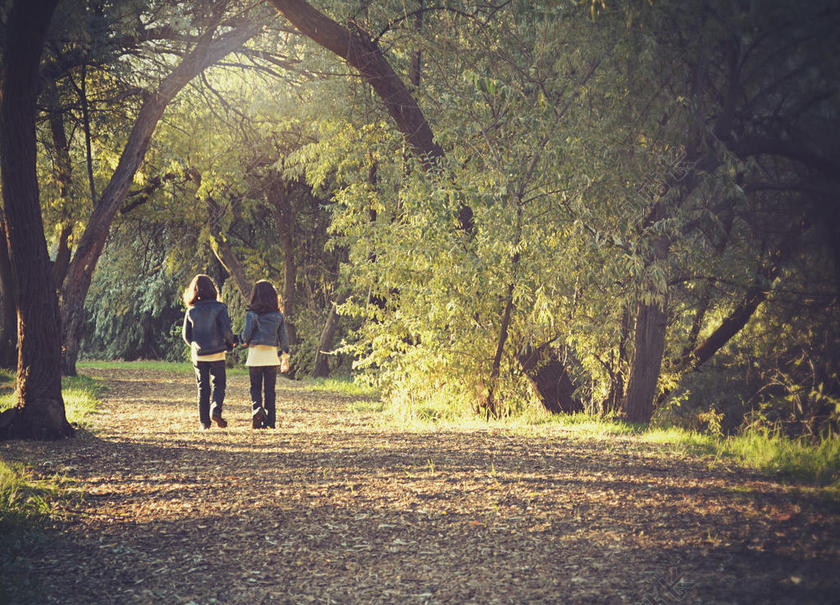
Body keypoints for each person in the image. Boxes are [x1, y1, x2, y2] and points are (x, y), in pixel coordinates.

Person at [182, 274, 236, 430]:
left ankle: (204, 423)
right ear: (213, 289)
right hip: (217, 353)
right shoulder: (220, 308)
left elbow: (186, 336)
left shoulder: (191, 310)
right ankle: (216, 409)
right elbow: (226, 331)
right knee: (219, 384)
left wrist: (196, 345)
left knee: (202, 387)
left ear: (194, 291)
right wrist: (229, 344)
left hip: (199, 354)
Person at [239, 280, 290, 429]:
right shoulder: (278, 316)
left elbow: (246, 335)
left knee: (255, 388)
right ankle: (270, 422)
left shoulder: (251, 314)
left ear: (255, 296)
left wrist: (242, 341)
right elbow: (284, 339)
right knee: (270, 391)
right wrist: (285, 358)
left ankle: (257, 410)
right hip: (271, 357)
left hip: (255, 356)